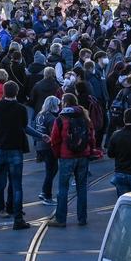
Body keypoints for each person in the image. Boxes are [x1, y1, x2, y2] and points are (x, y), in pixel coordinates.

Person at [0, 80, 30, 228]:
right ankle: (18, 219)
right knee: (16, 185)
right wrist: (42, 136)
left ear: (3, 92)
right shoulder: (21, 109)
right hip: (15, 149)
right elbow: (24, 127)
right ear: (16, 92)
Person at [47, 93, 96, 227]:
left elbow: (54, 140)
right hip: (83, 156)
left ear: (65, 103)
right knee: (82, 187)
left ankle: (61, 218)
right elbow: (91, 137)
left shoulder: (61, 119)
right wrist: (90, 151)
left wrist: (58, 154)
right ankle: (82, 218)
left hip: (66, 157)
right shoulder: (84, 117)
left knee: (63, 188)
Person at [26, 95, 61, 205]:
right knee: (52, 170)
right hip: (48, 145)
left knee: (49, 170)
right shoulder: (52, 118)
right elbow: (54, 134)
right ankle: (47, 195)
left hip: (40, 145)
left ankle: (45, 192)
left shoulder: (40, 114)